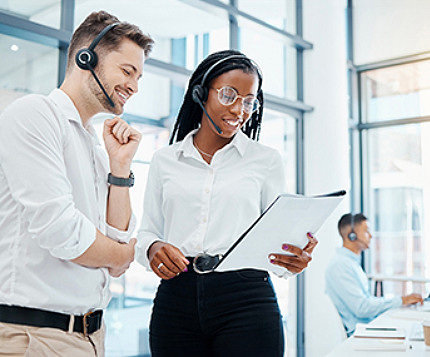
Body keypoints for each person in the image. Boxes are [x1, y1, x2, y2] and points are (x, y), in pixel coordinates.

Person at [136, 49, 317, 357]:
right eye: (229, 95)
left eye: (249, 100)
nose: (240, 109)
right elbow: (147, 232)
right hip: (176, 296)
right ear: (201, 93)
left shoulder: (266, 161)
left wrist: (292, 259)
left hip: (246, 296)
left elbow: (276, 238)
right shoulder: (165, 160)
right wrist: (153, 249)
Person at [0, 11, 154, 356]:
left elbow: (112, 240)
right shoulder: (35, 115)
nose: (134, 86)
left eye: (139, 76)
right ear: (86, 58)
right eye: (127, 71)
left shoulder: (94, 146)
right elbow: (62, 232)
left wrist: (120, 168)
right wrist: (126, 254)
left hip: (88, 336)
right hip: (35, 335)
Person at [325, 213, 423, 336]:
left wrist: (400, 302)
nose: (371, 236)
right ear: (352, 235)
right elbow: (362, 308)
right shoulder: (341, 266)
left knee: (411, 327)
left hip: (369, 326)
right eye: (366, 231)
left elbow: (366, 302)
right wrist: (401, 300)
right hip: (361, 332)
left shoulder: (351, 264)